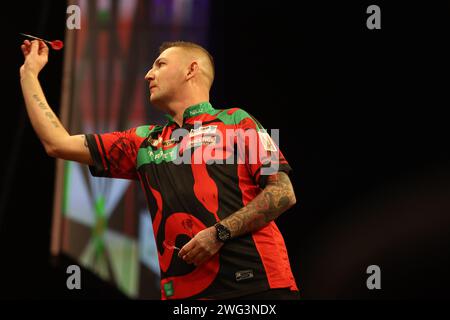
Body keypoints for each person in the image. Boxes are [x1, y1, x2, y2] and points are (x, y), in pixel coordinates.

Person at [20, 39, 300, 300]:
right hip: (185, 297)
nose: (147, 75)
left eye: (160, 64)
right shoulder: (143, 141)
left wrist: (219, 233)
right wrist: (29, 73)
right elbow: (57, 144)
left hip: (259, 287)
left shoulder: (238, 121)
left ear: (191, 70)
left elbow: (283, 193)